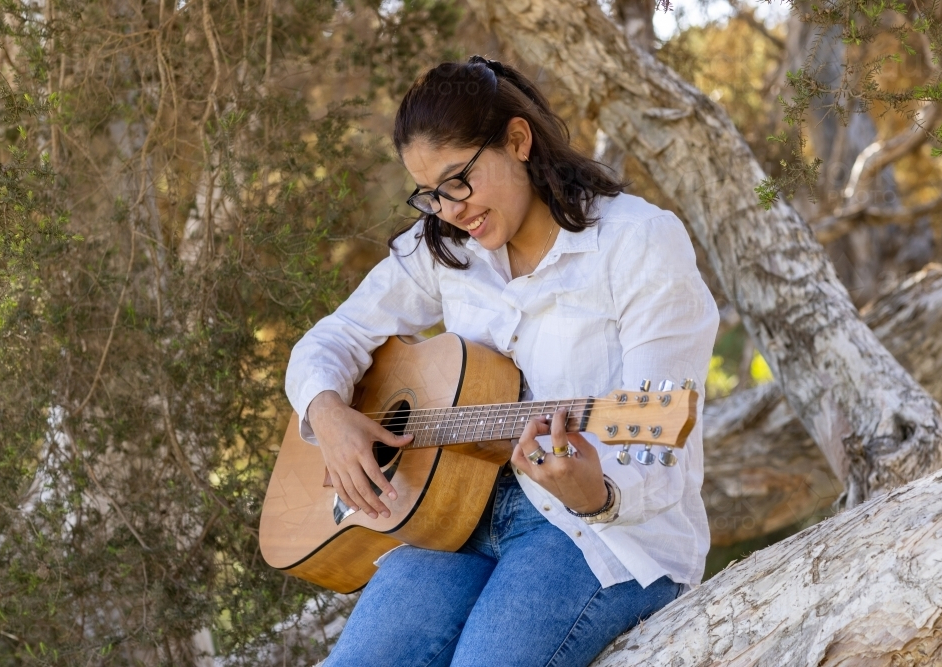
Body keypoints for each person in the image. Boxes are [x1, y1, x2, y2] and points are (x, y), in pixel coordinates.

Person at [285, 55, 719, 667]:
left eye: (459, 181)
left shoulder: (639, 242)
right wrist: (327, 412)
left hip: (599, 535)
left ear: (518, 140)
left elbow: (659, 453)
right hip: (457, 516)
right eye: (430, 195)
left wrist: (596, 490)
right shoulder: (443, 250)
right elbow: (331, 340)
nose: (449, 210)